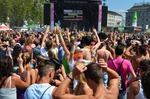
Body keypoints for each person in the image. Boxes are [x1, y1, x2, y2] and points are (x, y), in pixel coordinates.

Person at [53, 59, 119, 99]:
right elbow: (116, 77)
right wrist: (107, 69)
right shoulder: (113, 92)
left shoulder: (89, 97)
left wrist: (72, 74)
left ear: (90, 80)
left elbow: (57, 95)